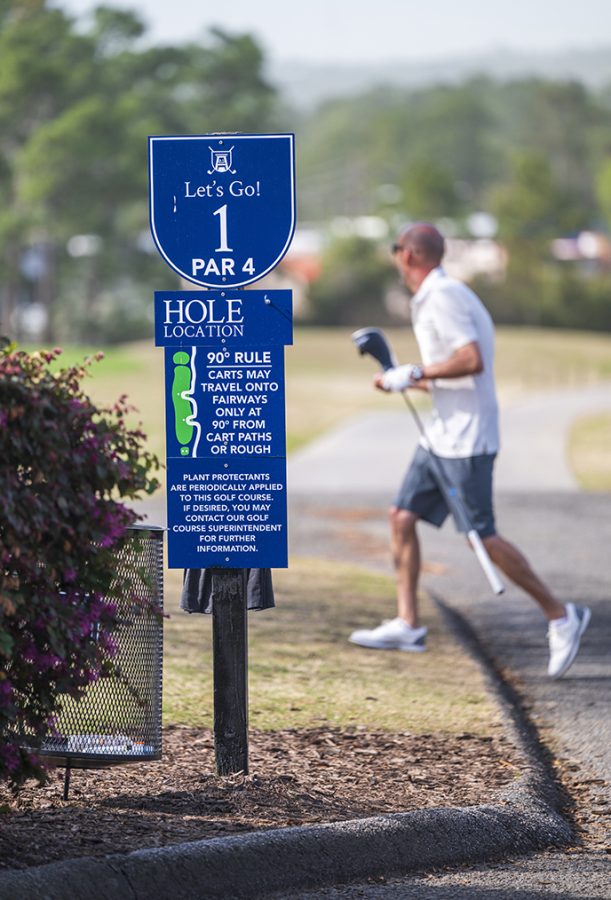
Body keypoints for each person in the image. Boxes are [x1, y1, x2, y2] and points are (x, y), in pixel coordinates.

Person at [349, 222, 590, 679]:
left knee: (482, 536)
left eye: (397, 250)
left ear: (409, 255)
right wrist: (406, 379)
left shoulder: (444, 296)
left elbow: (471, 359)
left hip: (467, 440)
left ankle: (561, 615)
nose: (396, 258)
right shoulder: (435, 298)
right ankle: (408, 623)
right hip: (441, 433)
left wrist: (414, 371)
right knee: (401, 517)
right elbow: (454, 377)